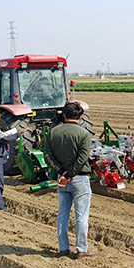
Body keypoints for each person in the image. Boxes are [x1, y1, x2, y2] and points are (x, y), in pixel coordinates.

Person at [43, 101, 96, 259]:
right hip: (79, 179)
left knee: (62, 215)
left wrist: (62, 173)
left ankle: (64, 248)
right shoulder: (84, 133)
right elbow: (83, 157)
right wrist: (70, 174)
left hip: (61, 180)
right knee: (81, 216)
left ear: (64, 115)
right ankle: (81, 249)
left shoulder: (52, 133)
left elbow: (47, 156)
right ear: (80, 117)